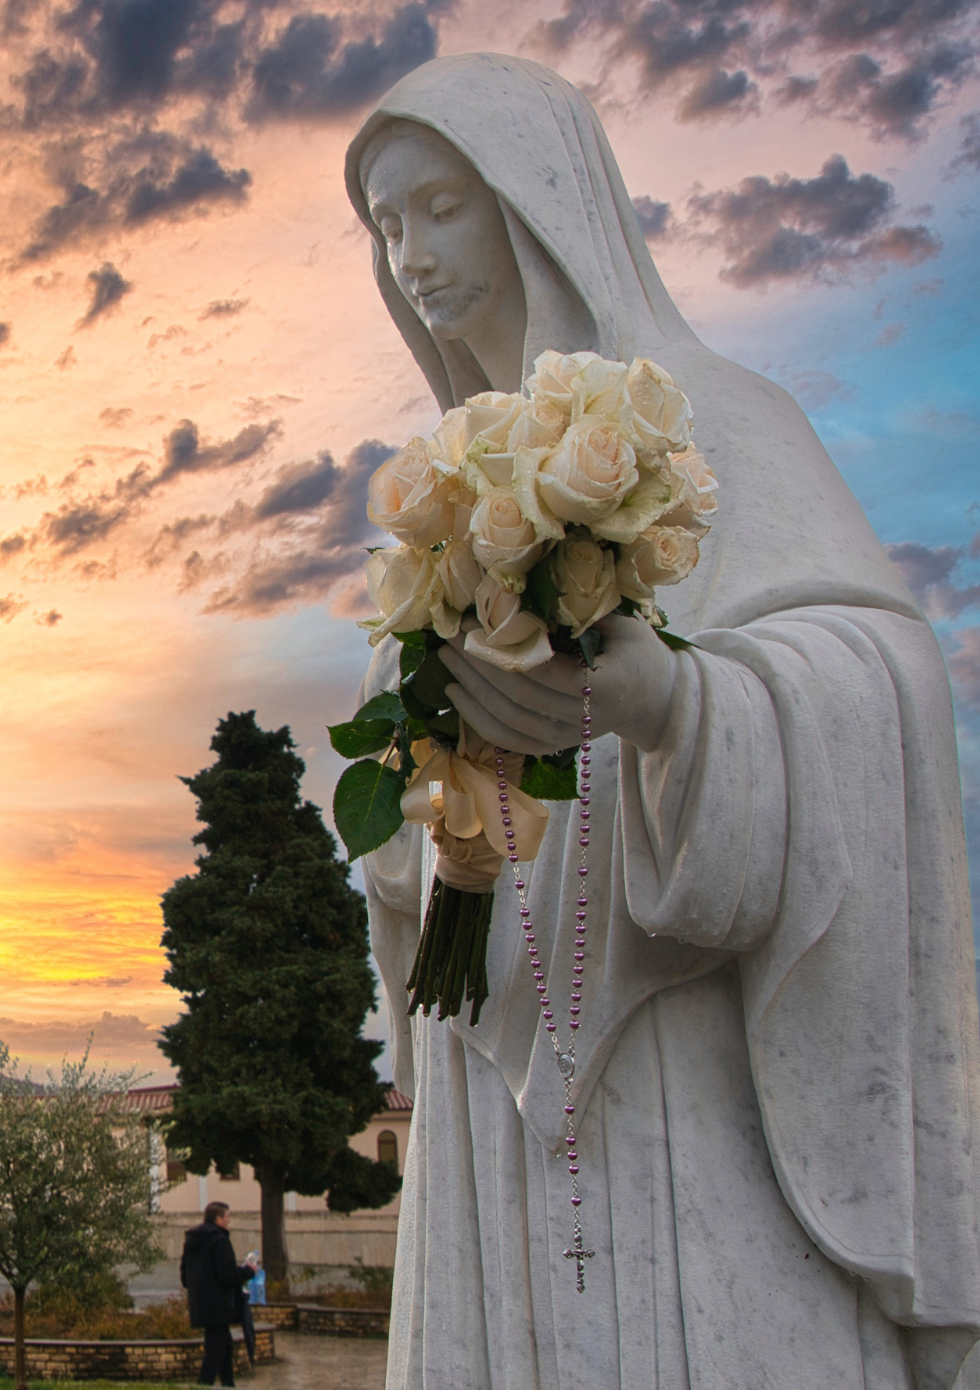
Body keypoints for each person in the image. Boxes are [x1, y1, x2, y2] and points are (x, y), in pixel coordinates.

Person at [345, 53, 980, 1388]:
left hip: (690, 1066)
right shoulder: (439, 493)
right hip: (501, 1059)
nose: (412, 255)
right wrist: (425, 813)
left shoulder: (719, 429)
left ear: (536, 201)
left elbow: (885, 681)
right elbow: (401, 825)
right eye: (388, 225)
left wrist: (677, 704)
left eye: (444, 207)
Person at [180, 1201, 250, 1387]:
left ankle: (228, 1384)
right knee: (214, 1350)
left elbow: (184, 1275)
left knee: (224, 1345)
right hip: (218, 1306)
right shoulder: (220, 1240)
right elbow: (226, 1274)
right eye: (227, 1217)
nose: (229, 1221)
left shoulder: (192, 1240)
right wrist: (248, 1271)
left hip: (201, 1303)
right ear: (218, 1219)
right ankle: (204, 1384)